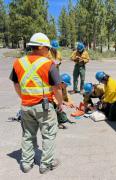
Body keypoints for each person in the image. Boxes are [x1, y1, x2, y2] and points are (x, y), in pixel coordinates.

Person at [9, 32, 63, 174]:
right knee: (49, 134)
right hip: (44, 107)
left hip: (26, 106)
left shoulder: (18, 63)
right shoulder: (49, 64)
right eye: (47, 48)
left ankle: (26, 164)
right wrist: (60, 103)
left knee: (27, 134)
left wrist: (25, 98)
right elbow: (57, 88)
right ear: (40, 47)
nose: (49, 51)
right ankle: (46, 164)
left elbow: (16, 84)